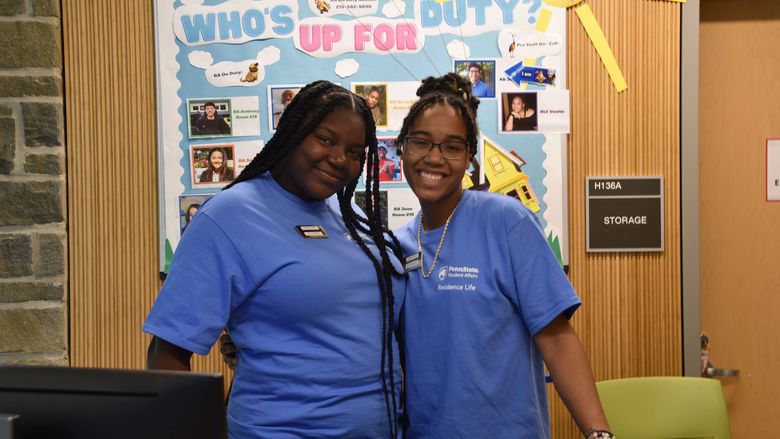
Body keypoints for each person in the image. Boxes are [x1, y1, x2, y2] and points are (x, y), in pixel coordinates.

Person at [145, 80, 405, 438]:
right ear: (292, 130)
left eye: (355, 151)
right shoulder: (227, 217)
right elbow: (167, 354)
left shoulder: (346, 215)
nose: (339, 159)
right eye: (326, 139)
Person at [395, 73, 612, 438]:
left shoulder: (507, 222)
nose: (434, 158)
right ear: (402, 147)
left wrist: (599, 434)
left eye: (452, 147)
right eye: (421, 143)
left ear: (468, 158)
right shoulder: (399, 245)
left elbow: (557, 340)